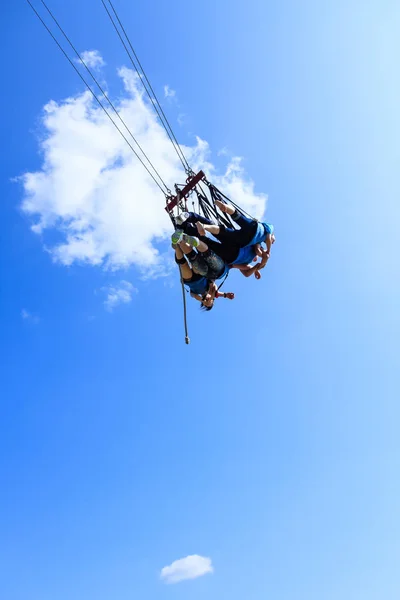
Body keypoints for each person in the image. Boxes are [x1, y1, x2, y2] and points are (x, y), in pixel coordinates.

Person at [176, 200, 275, 278]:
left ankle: (190, 218)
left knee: (217, 229)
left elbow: (248, 266)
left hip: (235, 247)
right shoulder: (253, 252)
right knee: (206, 242)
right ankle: (186, 228)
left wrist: (259, 264)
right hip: (230, 256)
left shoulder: (250, 255)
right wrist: (260, 264)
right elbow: (243, 269)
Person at [173, 241, 235, 310]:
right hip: (200, 275)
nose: (208, 301)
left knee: (183, 264)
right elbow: (217, 292)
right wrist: (225, 295)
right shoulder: (213, 292)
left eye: (206, 304)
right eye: (211, 302)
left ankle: (176, 246)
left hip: (190, 281)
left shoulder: (197, 296)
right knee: (193, 259)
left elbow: (194, 295)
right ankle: (181, 241)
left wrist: (202, 300)